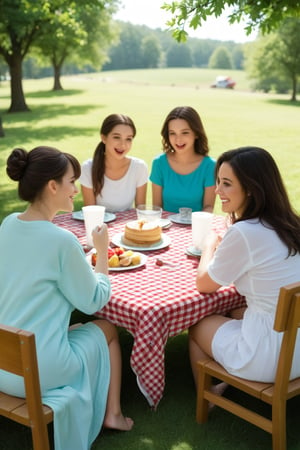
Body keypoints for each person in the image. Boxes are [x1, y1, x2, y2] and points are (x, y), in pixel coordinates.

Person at [0, 146, 133, 450]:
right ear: (52, 186)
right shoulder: (62, 240)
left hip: (4, 365)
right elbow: (94, 301)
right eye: (71, 181)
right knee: (107, 330)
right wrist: (100, 251)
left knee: (73, 331)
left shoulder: (8, 225)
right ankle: (113, 414)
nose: (75, 189)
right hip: (38, 372)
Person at [189, 146, 300, 394]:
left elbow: (204, 284)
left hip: (271, 360)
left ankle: (208, 396)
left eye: (226, 184)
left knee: (197, 324)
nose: (217, 191)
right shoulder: (291, 225)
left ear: (251, 188)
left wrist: (209, 246)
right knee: (237, 310)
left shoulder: (245, 232)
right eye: (218, 182)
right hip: (297, 347)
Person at [149, 106, 216, 213]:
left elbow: (208, 207)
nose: (178, 140)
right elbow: (157, 207)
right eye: (172, 133)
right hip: (166, 227)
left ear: (196, 133)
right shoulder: (159, 163)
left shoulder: (210, 166)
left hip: (196, 226)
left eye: (185, 133)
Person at [80, 114, 148, 212]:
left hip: (127, 225)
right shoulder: (88, 168)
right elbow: (90, 213)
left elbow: (141, 212)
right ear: (103, 138)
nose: (123, 144)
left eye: (128, 139)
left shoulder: (139, 167)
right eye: (116, 137)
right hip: (99, 225)